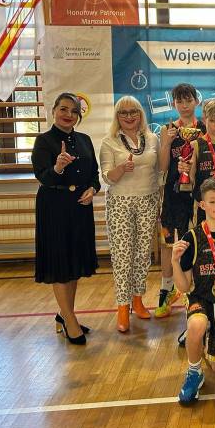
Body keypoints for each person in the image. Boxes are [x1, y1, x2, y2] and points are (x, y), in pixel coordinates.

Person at [32, 92, 99, 345]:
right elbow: (43, 177)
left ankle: (65, 315)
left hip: (80, 207)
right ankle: (70, 321)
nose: (68, 114)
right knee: (60, 266)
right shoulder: (43, 141)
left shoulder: (84, 140)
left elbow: (94, 175)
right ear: (54, 111)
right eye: (63, 109)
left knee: (74, 265)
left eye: (73, 111)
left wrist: (92, 189)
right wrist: (58, 167)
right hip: (54, 207)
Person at [171, 177, 215, 404]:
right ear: (202, 205)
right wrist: (174, 261)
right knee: (196, 324)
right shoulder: (192, 237)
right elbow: (184, 286)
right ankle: (194, 371)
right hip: (201, 298)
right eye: (212, 202)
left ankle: (206, 337)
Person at [99, 96, 161, 332]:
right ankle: (123, 307)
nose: (129, 116)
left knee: (143, 254)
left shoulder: (152, 138)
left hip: (148, 199)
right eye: (123, 113)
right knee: (123, 256)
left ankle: (138, 300)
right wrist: (121, 168)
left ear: (140, 114)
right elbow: (107, 177)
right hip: (120, 202)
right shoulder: (109, 142)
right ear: (117, 116)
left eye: (133, 111)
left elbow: (159, 171)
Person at [156, 83, 205, 318]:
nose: (184, 106)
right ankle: (165, 292)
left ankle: (195, 292)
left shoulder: (205, 128)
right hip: (174, 194)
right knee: (169, 245)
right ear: (174, 103)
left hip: (198, 194)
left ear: (196, 101)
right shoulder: (167, 129)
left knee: (196, 242)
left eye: (188, 100)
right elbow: (163, 167)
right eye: (180, 101)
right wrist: (167, 142)